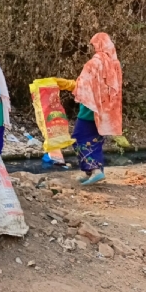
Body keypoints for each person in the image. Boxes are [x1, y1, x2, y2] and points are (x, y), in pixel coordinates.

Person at [56, 33, 122, 185]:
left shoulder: (95, 63)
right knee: (96, 141)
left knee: (79, 139)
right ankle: (92, 172)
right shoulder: (114, 64)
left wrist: (66, 84)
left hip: (89, 110)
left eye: (94, 45)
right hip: (106, 112)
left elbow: (84, 86)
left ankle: (95, 170)